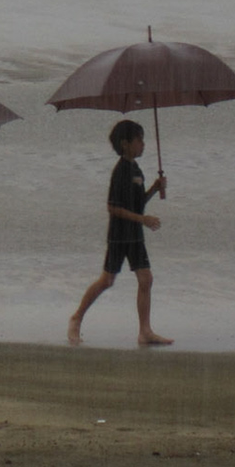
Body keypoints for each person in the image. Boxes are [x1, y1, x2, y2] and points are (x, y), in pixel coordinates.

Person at [68, 118, 172, 346]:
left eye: (143, 140)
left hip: (135, 235)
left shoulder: (136, 169)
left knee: (146, 279)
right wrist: (142, 220)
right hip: (119, 236)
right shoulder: (121, 171)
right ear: (125, 144)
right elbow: (113, 207)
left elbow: (137, 203)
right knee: (107, 280)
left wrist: (154, 188)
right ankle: (76, 319)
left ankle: (145, 331)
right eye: (139, 140)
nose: (143, 144)